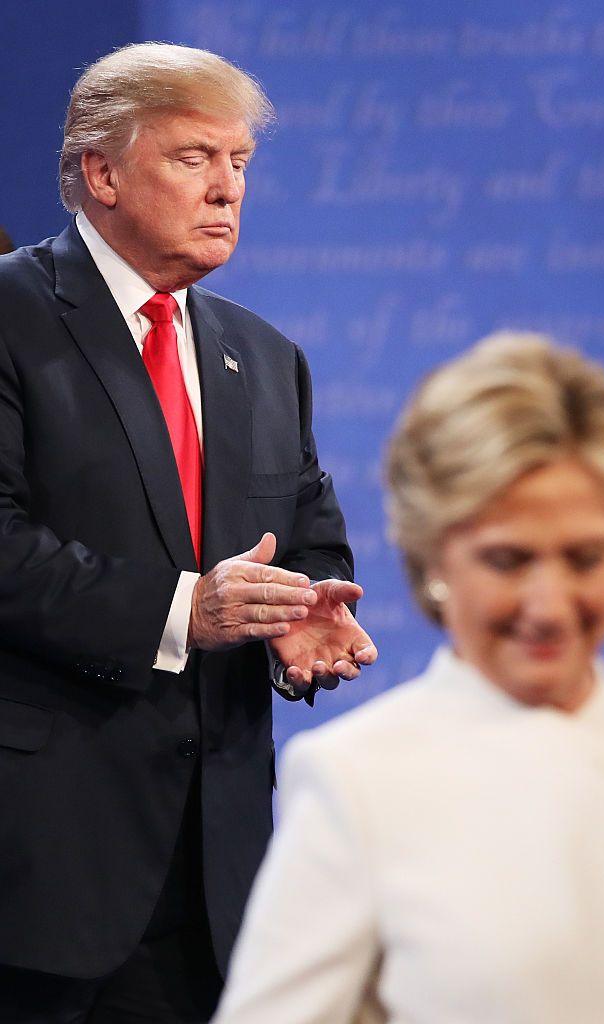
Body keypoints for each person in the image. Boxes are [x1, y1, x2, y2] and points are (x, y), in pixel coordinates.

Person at [0, 42, 376, 1023]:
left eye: (240, 164)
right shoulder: (10, 316)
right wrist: (183, 612)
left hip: (220, 876)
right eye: (194, 159)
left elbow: (304, 532)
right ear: (101, 172)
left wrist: (306, 613)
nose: (227, 190)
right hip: (42, 869)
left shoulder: (264, 353)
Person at [213, 333, 604, 1024]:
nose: (548, 606)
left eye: (584, 558)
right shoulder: (359, 783)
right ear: (432, 558)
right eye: (507, 560)